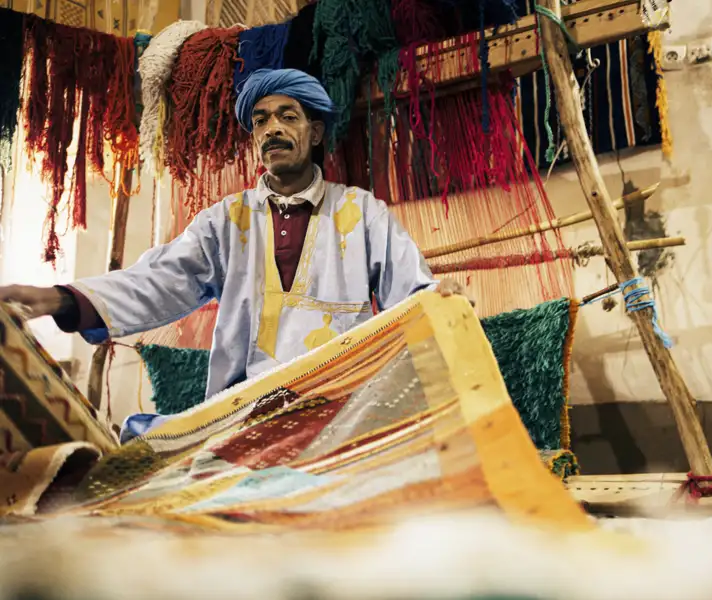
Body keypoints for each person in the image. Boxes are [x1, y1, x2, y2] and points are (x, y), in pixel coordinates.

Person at [0, 68, 469, 439]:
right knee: (144, 446)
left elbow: (414, 293)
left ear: (317, 133)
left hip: (340, 404)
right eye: (261, 120)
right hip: (243, 412)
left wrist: (441, 297)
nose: (272, 129)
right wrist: (58, 298)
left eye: (288, 116)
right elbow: (158, 281)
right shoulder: (226, 221)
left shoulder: (364, 212)